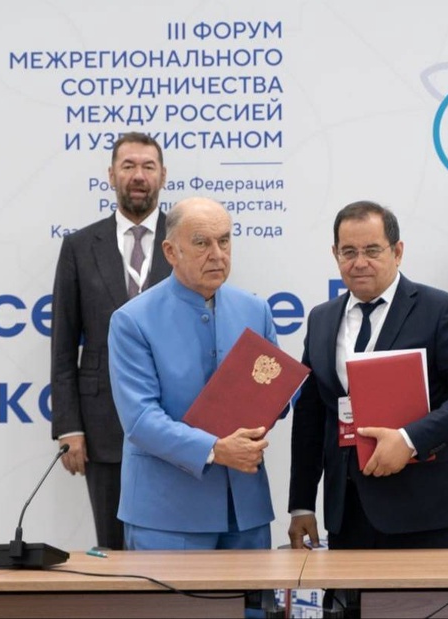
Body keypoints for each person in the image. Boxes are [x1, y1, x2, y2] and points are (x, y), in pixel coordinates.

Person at [288, 201, 448, 556]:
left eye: (372, 250)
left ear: (397, 252)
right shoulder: (321, 319)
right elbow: (311, 416)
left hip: (426, 513)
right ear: (335, 254)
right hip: (347, 514)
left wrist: (410, 439)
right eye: (349, 252)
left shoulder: (440, 310)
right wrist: (302, 504)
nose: (359, 262)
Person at [107, 196, 279, 550]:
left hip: (245, 511)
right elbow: (140, 420)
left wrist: (280, 397)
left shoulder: (256, 310)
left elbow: (276, 390)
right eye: (202, 243)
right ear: (170, 252)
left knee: (256, 594)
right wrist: (215, 449)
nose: (217, 254)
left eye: (224, 241)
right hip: (167, 515)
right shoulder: (132, 320)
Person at [50, 132, 171, 550]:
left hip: (177, 420)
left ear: (162, 176)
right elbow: (63, 345)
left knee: (177, 547)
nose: (138, 176)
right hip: (103, 427)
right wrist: (69, 427)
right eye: (128, 166)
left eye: (148, 167)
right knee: (115, 548)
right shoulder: (80, 246)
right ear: (111, 175)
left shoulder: (186, 242)